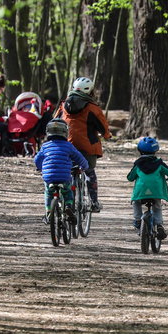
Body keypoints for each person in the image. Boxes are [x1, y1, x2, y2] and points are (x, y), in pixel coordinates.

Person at [57, 77, 112, 212]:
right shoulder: (92, 108)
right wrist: (107, 136)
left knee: (67, 173)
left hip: (66, 147)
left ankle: (65, 201)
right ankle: (94, 202)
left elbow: (55, 123)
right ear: (91, 91)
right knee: (89, 172)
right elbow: (103, 128)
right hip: (87, 149)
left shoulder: (63, 106)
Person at [34, 119, 89, 225]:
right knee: (68, 192)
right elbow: (79, 158)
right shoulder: (68, 146)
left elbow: (37, 159)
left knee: (48, 193)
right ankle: (68, 206)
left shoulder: (45, 146)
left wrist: (40, 168)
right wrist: (85, 166)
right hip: (64, 177)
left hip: (49, 177)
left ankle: (49, 212)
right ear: (65, 132)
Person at [127, 137, 168, 240]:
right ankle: (159, 225)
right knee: (157, 207)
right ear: (156, 150)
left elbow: (130, 177)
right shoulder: (159, 164)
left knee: (136, 202)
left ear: (139, 150)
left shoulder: (138, 165)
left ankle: (138, 220)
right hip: (156, 192)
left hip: (140, 192)